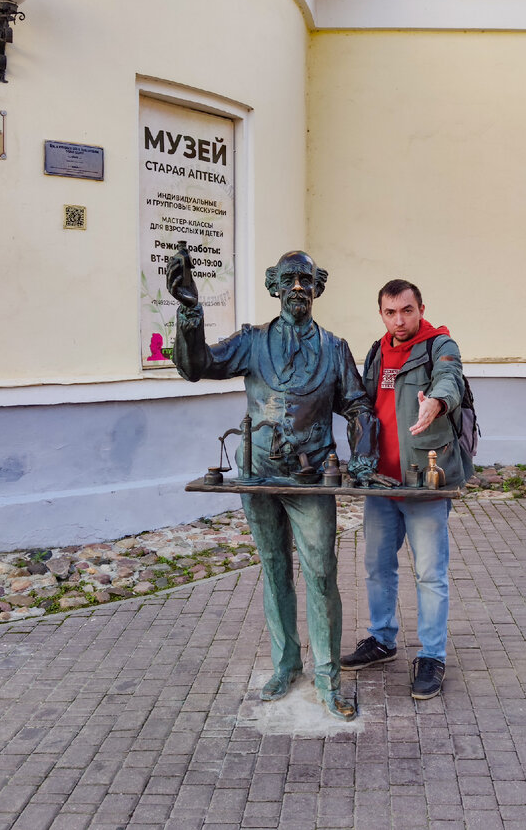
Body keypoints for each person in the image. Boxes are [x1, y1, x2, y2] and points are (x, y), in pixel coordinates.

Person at [166, 246, 394, 721]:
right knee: (274, 571)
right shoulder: (252, 341)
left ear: (317, 288)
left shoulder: (334, 348)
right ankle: (287, 664)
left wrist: (363, 453)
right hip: (259, 477)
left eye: (305, 281)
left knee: (320, 574)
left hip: (311, 479)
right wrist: (190, 312)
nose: (297, 288)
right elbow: (196, 366)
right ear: (273, 286)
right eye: (288, 280)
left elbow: (357, 405)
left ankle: (328, 676)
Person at [341, 279, 473, 700]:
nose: (400, 320)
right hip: (381, 484)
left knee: (430, 574)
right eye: (390, 312)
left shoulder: (440, 345)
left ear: (420, 309)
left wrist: (437, 400)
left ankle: (432, 656)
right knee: (378, 568)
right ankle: (382, 639)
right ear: (381, 313)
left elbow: (450, 378)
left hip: (424, 484)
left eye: (407, 310)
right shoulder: (377, 352)